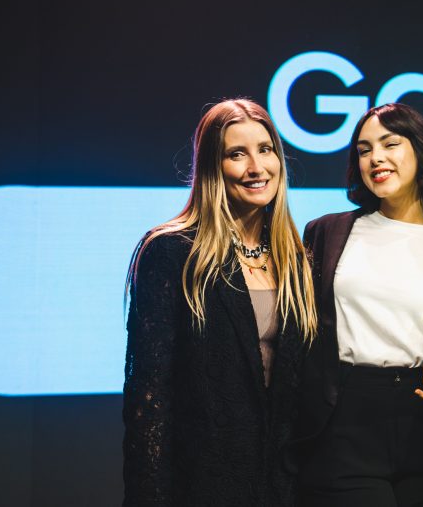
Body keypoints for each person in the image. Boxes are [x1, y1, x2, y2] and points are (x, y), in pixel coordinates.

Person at [296, 103, 423, 507]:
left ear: (420, 150)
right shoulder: (326, 232)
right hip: (343, 422)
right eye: (364, 149)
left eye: (390, 144)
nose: (375, 158)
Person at [123, 99, 317, 506]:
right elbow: (149, 395)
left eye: (265, 150)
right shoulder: (172, 251)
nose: (256, 167)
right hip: (202, 484)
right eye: (237, 154)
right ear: (213, 166)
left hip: (283, 487)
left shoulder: (295, 259)